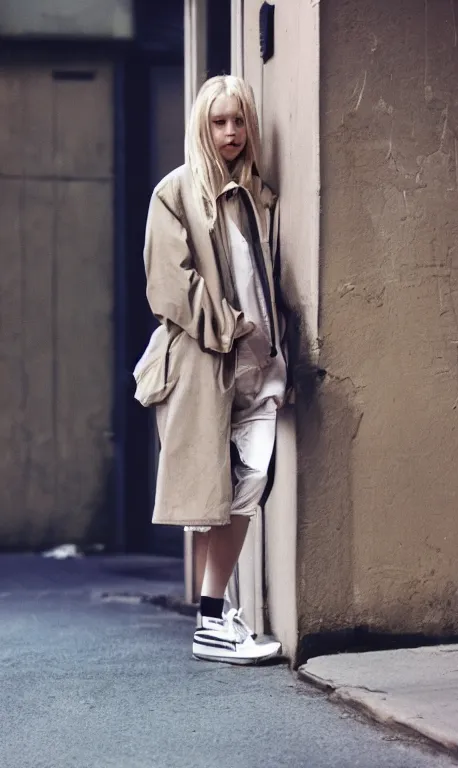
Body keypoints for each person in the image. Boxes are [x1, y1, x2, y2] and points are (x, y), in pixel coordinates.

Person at [133, 75, 289, 665]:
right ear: (202, 124)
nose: (230, 132)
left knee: (237, 490)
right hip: (205, 366)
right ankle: (211, 622)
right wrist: (232, 328)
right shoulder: (175, 193)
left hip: (255, 369)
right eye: (219, 121)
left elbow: (268, 285)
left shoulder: (254, 198)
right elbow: (169, 287)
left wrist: (272, 351)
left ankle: (214, 618)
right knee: (218, 495)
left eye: (239, 121)